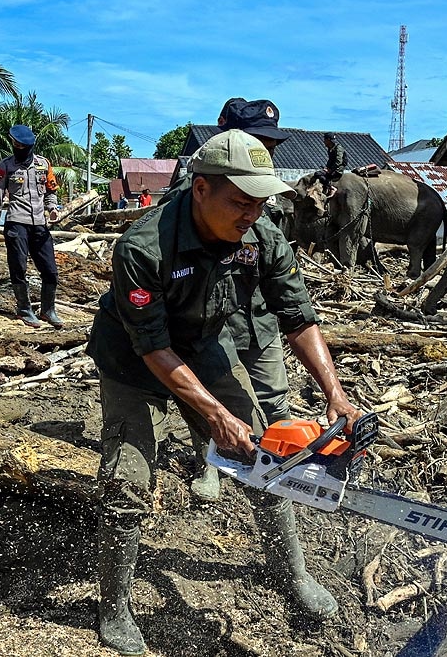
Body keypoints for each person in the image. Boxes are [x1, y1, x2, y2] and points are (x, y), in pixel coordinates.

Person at [86, 129, 361, 655]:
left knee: (266, 455)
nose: (250, 214)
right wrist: (212, 415)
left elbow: (298, 317)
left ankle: (290, 573)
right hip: (134, 361)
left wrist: (335, 392)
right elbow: (152, 347)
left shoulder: (261, 238)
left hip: (205, 344)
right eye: (240, 201)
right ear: (201, 189)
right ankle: (114, 609)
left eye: (259, 202)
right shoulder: (143, 248)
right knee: (128, 480)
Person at [157, 97, 295, 502]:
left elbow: (284, 274)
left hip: (260, 315)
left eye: (269, 146)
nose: (263, 153)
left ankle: (286, 470)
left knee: (273, 398)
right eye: (256, 142)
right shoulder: (195, 193)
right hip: (216, 316)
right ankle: (212, 463)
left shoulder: (269, 197)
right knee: (216, 398)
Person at [0, 124, 64, 329]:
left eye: (21, 145)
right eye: (15, 144)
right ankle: (24, 309)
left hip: (39, 223)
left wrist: (52, 208)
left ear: (29, 145)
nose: (17, 147)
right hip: (16, 223)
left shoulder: (44, 164)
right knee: (18, 267)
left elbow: (51, 190)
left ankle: (48, 310)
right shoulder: (5, 166)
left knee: (50, 270)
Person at [312, 132, 345, 198]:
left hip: (337, 170)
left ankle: (332, 188)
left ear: (328, 140)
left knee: (317, 174)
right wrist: (326, 167)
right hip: (332, 169)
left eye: (324, 140)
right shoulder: (330, 148)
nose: (324, 141)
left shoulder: (338, 148)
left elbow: (339, 161)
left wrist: (330, 170)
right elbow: (330, 160)